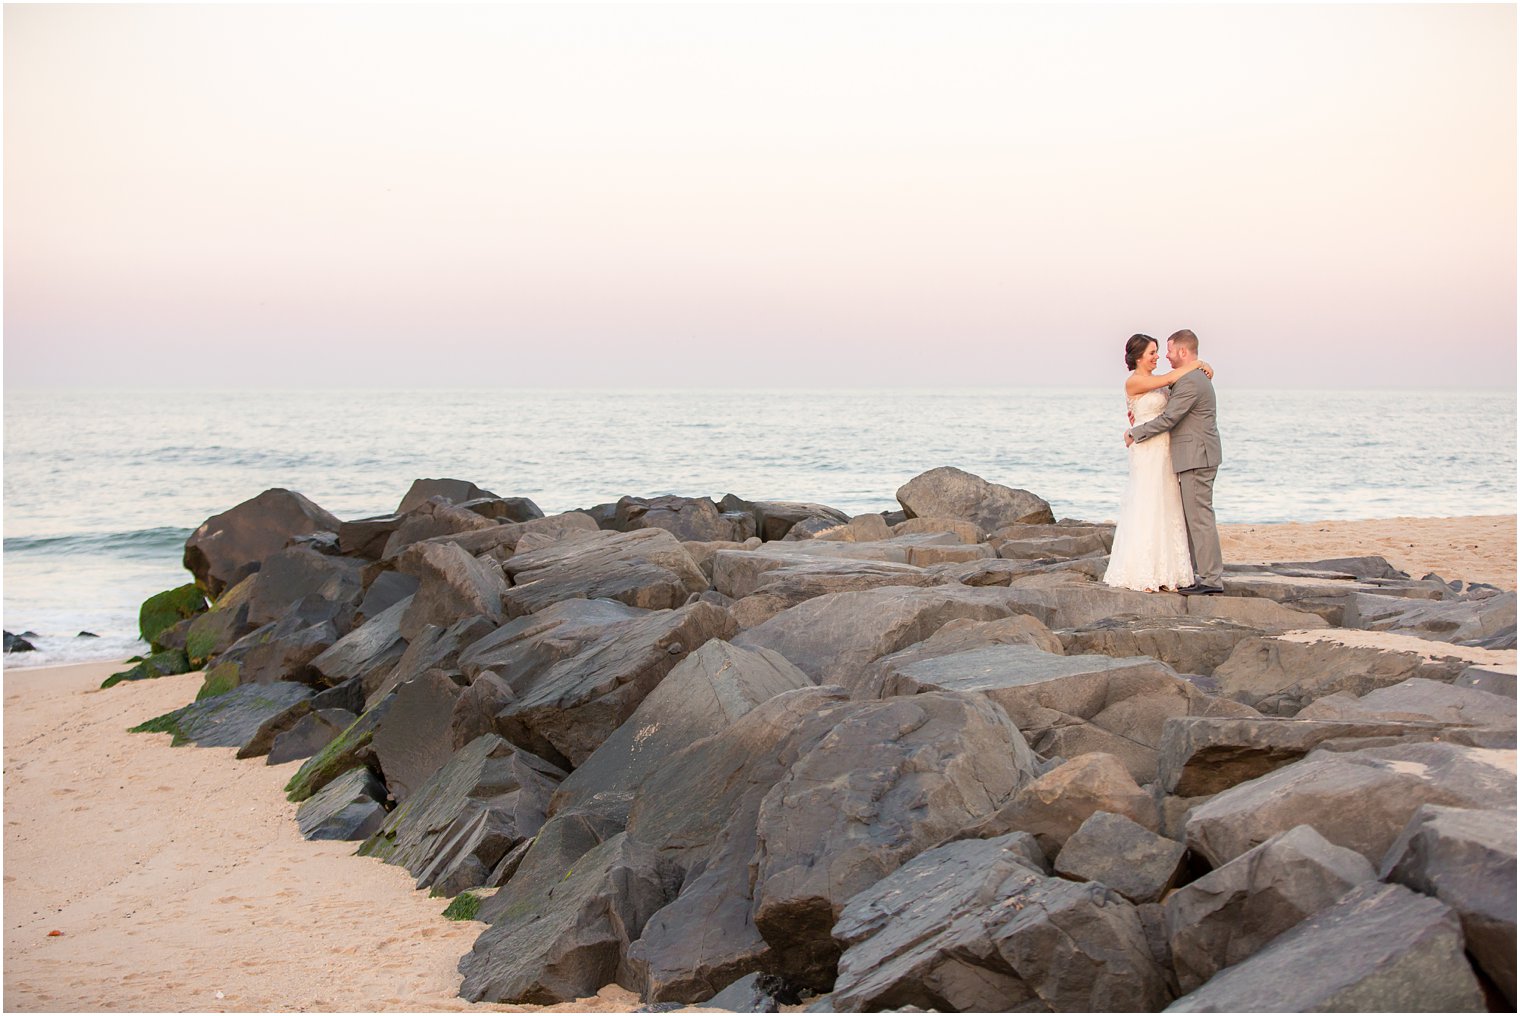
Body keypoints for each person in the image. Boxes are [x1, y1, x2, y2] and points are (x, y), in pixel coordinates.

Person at [1102, 333, 1212, 592]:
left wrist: (1204, 366)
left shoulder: (1157, 380)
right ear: (1139, 356)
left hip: (1165, 448)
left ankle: (1167, 571)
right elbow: (1171, 379)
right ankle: (1143, 572)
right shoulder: (1135, 381)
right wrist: (1198, 363)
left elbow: (1174, 389)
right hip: (1146, 448)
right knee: (1147, 502)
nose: (1157, 357)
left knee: (1167, 503)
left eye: (1158, 352)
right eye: (1152, 353)